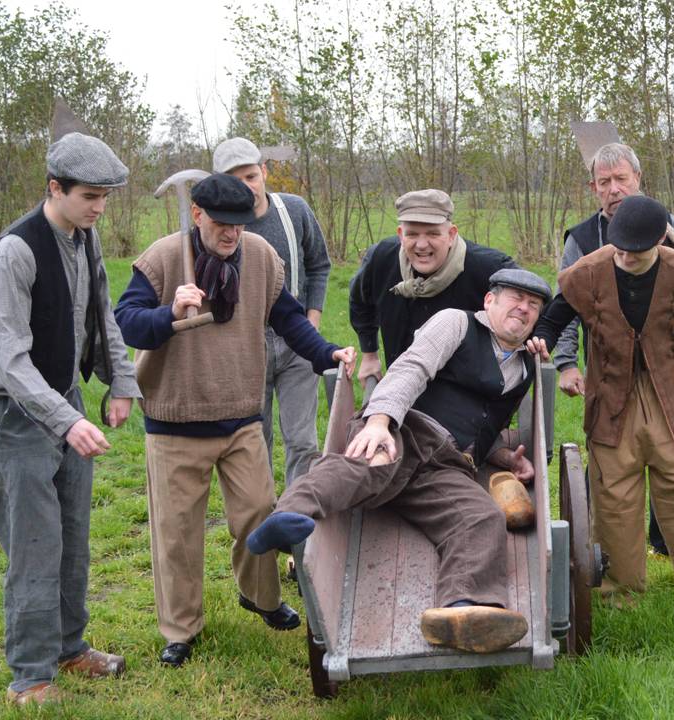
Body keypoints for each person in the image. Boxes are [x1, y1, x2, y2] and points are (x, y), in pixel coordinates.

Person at [114, 173, 355, 667]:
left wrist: (326, 354)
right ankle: (181, 628)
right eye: (222, 224)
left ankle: (261, 597)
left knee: (258, 513)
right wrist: (169, 312)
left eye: (240, 225)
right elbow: (125, 320)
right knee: (177, 533)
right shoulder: (163, 258)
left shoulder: (262, 258)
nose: (231, 235)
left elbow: (286, 318)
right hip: (176, 420)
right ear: (197, 214)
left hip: (242, 417)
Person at [248, 269, 553, 653]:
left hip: (449, 464)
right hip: (408, 427)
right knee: (371, 464)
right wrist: (379, 422)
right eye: (515, 299)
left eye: (534, 306)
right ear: (489, 301)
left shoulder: (523, 367)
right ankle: (288, 516)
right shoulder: (455, 322)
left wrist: (505, 456)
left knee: (481, 517)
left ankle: (463, 610)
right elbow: (411, 368)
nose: (524, 310)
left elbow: (482, 423)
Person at [0, 132, 138, 706]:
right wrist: (65, 421)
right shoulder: (16, 251)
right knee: (35, 541)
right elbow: (10, 360)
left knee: (74, 533)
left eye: (106, 197)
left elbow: (101, 314)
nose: (99, 208)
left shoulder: (84, 236)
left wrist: (121, 381)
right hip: (11, 408)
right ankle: (30, 678)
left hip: (61, 394)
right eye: (90, 196)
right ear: (54, 188)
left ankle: (70, 647)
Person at [534, 195, 674, 613]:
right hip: (611, 401)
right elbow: (553, 320)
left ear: (659, 242)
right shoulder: (588, 273)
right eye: (619, 247)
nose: (625, 256)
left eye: (636, 251)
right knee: (613, 502)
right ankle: (618, 594)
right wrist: (543, 347)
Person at [556, 142, 674, 557]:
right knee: (612, 466)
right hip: (611, 375)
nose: (613, 189)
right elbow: (565, 308)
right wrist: (566, 364)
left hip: (669, 372)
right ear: (593, 188)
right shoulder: (580, 239)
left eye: (621, 179)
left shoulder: (658, 220)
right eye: (604, 182)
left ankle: (668, 540)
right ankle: (607, 556)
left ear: (637, 180)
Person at [213, 137, 332, 486]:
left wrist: (312, 322)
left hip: (298, 340)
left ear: (264, 172)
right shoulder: (220, 224)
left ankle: (299, 519)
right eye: (234, 180)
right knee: (253, 441)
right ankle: (262, 520)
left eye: (250, 176)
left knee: (303, 441)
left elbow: (319, 265)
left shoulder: (293, 210)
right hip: (245, 345)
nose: (245, 187)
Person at [349, 189, 517, 385]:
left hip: (468, 393)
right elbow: (360, 302)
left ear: (452, 234)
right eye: (412, 234)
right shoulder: (382, 259)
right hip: (402, 384)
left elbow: (532, 304)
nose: (421, 245)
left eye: (432, 234)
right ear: (400, 235)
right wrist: (369, 354)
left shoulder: (488, 267)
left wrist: (530, 342)